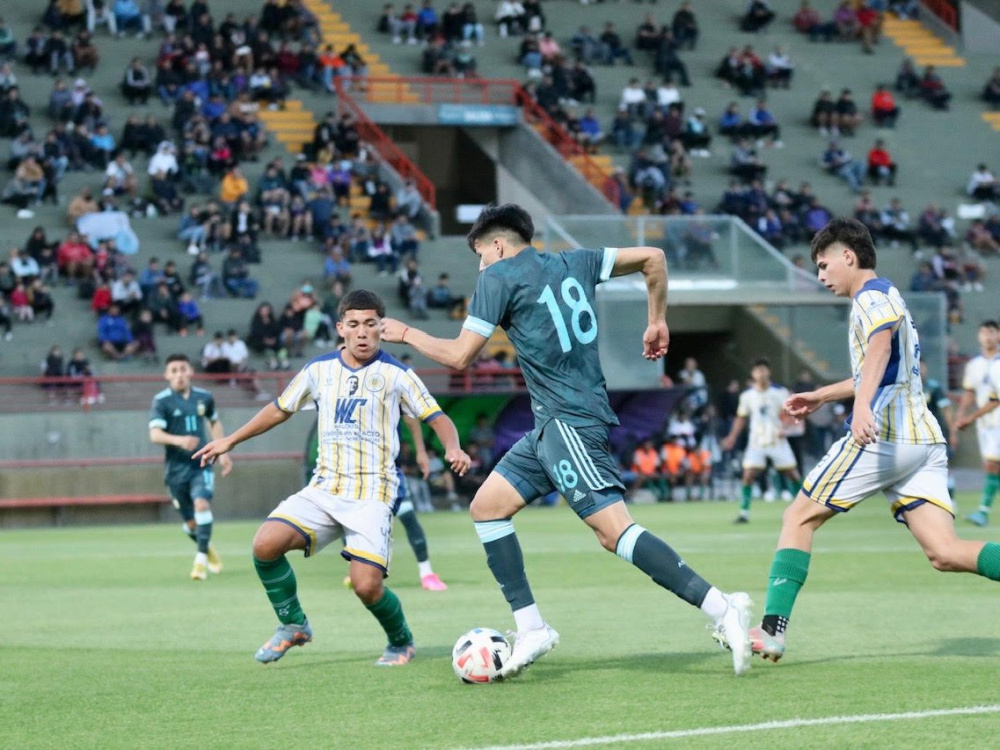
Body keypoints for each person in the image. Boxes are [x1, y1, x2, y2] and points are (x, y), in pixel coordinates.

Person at [378, 203, 753, 678]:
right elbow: (654, 258)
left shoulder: (498, 278)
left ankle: (723, 610)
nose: (479, 266)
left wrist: (406, 332)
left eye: (480, 254)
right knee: (487, 507)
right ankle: (531, 628)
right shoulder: (576, 261)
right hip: (550, 426)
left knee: (614, 531)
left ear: (498, 245)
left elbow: (458, 357)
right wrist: (657, 319)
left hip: (569, 422)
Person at [723, 218, 1000, 664]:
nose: (820, 276)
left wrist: (863, 406)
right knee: (945, 553)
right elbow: (884, 366)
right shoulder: (890, 294)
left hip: (886, 436)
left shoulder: (869, 297)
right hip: (924, 441)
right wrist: (823, 395)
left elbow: (880, 350)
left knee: (798, 517)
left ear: (847, 256)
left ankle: (772, 631)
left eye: (823, 264)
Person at [193, 290, 471, 666]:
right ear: (340, 328)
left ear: (382, 328)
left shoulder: (398, 375)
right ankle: (293, 624)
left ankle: (400, 640)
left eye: (370, 324)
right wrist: (229, 440)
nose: (362, 332)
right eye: (353, 324)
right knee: (265, 545)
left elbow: (437, 417)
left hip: (374, 491)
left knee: (366, 586)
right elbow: (278, 410)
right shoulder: (318, 370)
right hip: (325, 487)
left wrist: (452, 447)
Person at [148, 353, 231, 581]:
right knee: (191, 524)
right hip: (175, 471)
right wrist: (180, 440)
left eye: (183, 369)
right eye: (173, 370)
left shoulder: (204, 397)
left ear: (191, 371)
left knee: (202, 504)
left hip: (201, 463)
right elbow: (155, 435)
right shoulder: (161, 401)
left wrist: (223, 452)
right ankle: (208, 549)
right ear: (167, 375)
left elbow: (214, 422)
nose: (179, 374)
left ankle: (200, 562)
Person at [721, 359, 802, 523]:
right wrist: (732, 437)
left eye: (763, 370)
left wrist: (785, 427)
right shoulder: (747, 395)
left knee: (792, 474)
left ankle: (803, 510)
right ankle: (744, 512)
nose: (761, 373)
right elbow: (741, 418)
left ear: (769, 372)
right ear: (753, 374)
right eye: (757, 370)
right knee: (748, 474)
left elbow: (792, 413)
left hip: (776, 439)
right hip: (756, 441)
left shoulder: (780, 392)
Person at [953, 321, 1000, 527]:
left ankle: (982, 511)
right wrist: (960, 416)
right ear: (978, 337)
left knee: (992, 465)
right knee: (991, 465)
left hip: (996, 419)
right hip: (985, 424)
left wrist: (970, 418)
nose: (987, 337)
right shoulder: (974, 365)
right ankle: (983, 511)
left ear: (998, 335)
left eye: (991, 332)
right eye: (983, 333)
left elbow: (996, 399)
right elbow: (969, 393)